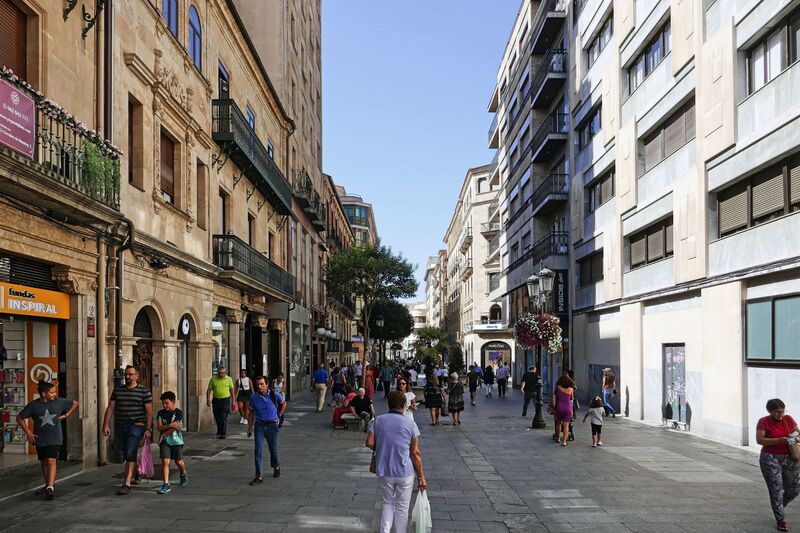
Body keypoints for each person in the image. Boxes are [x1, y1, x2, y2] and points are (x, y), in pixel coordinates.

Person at [366, 390, 427, 533]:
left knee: (388, 503)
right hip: (405, 471)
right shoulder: (410, 424)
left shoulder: (378, 420)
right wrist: (421, 477)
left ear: (389, 403)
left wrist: (382, 447)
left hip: (385, 469)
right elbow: (415, 453)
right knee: (402, 508)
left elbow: (369, 442)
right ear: (404, 405)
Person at [17, 380, 78, 500]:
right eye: (52, 392)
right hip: (40, 438)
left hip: (55, 437)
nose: (55, 394)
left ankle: (50, 487)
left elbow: (75, 403)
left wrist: (67, 415)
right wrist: (28, 432)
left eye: (55, 392)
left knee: (51, 460)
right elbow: (20, 418)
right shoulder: (33, 405)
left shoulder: (59, 401)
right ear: (44, 394)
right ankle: (47, 484)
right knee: (44, 461)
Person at [102, 365, 153, 495]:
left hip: (137, 425)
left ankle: (126, 484)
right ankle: (138, 470)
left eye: (130, 374)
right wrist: (105, 424)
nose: (127, 376)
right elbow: (111, 407)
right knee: (126, 454)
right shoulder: (118, 390)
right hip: (121, 425)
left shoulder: (144, 391)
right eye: (126, 374)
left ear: (137, 376)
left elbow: (149, 411)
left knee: (130, 452)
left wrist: (148, 428)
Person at [756, 398, 800, 532]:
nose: (780, 414)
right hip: (770, 458)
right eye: (776, 412)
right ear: (769, 411)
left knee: (795, 487)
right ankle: (780, 519)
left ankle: (780, 505)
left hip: (789, 457)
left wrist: (795, 436)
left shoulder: (788, 419)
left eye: (782, 411)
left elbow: (798, 432)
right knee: (776, 488)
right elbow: (760, 440)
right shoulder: (763, 421)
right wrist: (778, 440)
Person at [247, 376, 285, 484]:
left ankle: (276, 466)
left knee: (273, 450)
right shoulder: (254, 397)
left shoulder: (274, 394)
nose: (260, 386)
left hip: (272, 426)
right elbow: (251, 412)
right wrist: (249, 427)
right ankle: (259, 476)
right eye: (258, 384)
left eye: (262, 384)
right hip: (259, 426)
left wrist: (279, 415)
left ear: (267, 385)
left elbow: (283, 403)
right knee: (258, 451)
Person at [155, 391, 188, 494]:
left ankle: (183, 473)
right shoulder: (160, 413)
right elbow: (159, 427)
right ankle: (166, 484)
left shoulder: (179, 413)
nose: (164, 405)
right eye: (163, 403)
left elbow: (176, 427)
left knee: (179, 461)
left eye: (167, 403)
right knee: (165, 461)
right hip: (165, 442)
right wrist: (169, 425)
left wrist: (163, 434)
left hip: (177, 441)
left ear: (173, 402)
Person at [206, 366, 234, 439]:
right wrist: (208, 399)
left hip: (225, 400)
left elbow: (232, 390)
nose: (221, 374)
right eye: (219, 373)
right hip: (216, 400)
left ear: (225, 373)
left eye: (222, 373)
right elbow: (209, 389)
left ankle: (223, 433)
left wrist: (233, 401)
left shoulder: (229, 379)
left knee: (223, 416)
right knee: (217, 416)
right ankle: (219, 429)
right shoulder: (213, 379)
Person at [553, 374, 575, 446]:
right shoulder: (571, 389)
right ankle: (564, 442)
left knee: (558, 423)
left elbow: (554, 397)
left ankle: (558, 438)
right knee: (566, 425)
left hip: (559, 407)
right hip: (568, 407)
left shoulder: (557, 387)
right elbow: (571, 399)